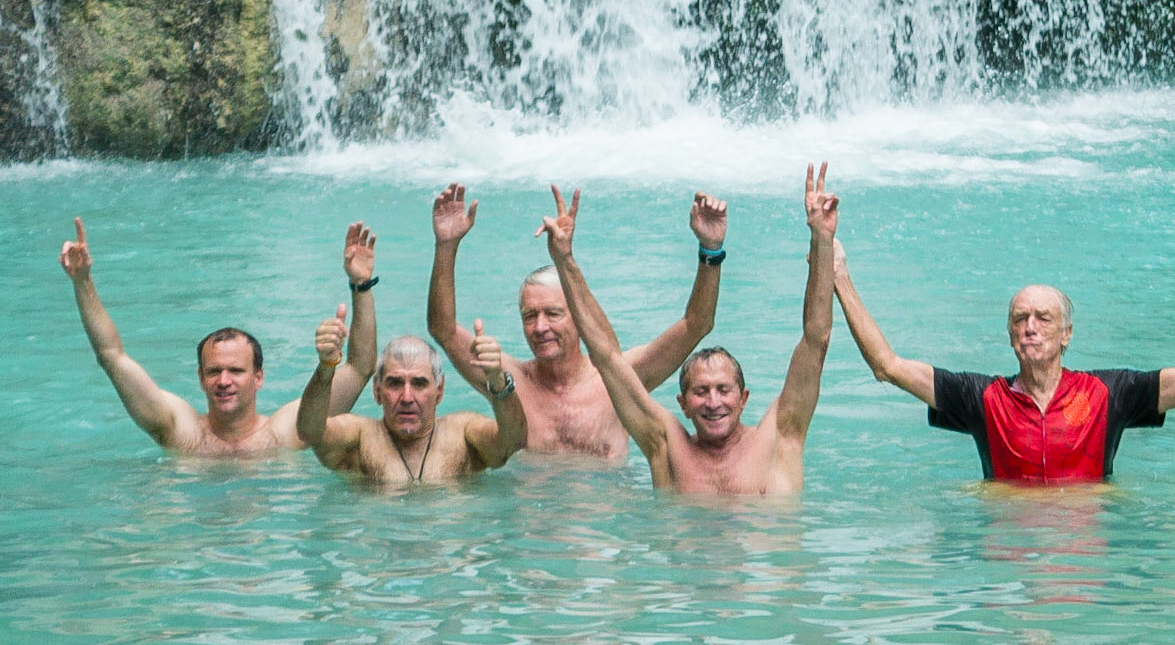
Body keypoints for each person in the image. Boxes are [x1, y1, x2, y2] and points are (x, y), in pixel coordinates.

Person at [832, 242, 1175, 485]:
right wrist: (839, 277)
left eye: (1043, 318)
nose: (1030, 327)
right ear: (1010, 334)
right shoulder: (981, 398)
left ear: (1066, 334)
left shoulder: (1109, 393)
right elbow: (886, 365)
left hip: (1084, 555)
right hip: (1007, 551)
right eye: (1020, 319)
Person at [538, 164, 837, 496]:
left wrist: (822, 239)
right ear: (682, 404)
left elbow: (817, 339)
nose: (713, 402)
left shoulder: (779, 437)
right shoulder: (666, 448)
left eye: (723, 390)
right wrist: (565, 260)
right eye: (701, 391)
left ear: (743, 399)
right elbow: (606, 358)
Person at [428, 182, 729, 460]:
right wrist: (446, 245)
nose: (540, 327)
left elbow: (697, 324)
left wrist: (710, 249)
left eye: (553, 314)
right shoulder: (505, 378)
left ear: (577, 318)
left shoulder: (619, 378)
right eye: (530, 316)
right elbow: (443, 329)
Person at [58, 215, 379, 458]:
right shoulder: (178, 430)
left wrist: (360, 285)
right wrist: (83, 282)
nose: (224, 381)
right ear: (200, 378)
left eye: (236, 370)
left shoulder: (290, 431)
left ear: (258, 377)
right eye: (214, 371)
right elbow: (111, 355)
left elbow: (360, 367)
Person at [297, 316, 526, 485]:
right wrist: (326, 366)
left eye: (419, 383)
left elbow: (513, 441)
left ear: (439, 391)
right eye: (395, 383)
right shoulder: (359, 437)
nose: (407, 397)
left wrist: (498, 381)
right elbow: (309, 432)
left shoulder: (463, 434)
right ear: (377, 390)